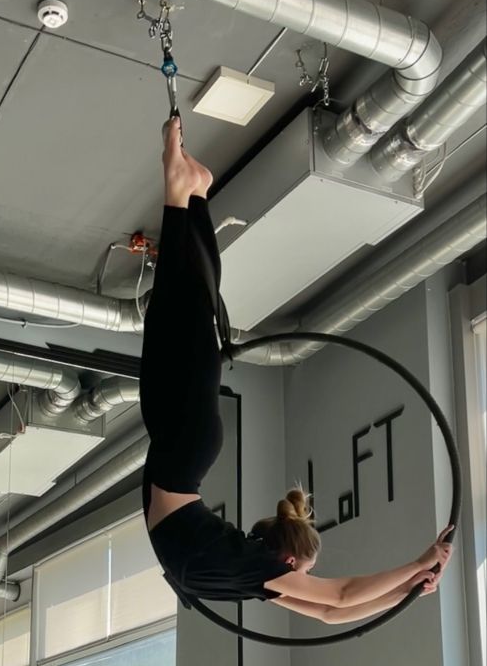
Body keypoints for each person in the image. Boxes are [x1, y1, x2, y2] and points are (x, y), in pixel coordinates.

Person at [139, 117, 453, 624]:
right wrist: (409, 586)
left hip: (182, 451)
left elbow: (337, 604)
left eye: (304, 573)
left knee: (184, 317)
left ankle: (189, 192)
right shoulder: (252, 570)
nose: (305, 583)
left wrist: (418, 571)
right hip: (176, 457)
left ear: (288, 559)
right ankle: (186, 195)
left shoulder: (257, 570)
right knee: (185, 318)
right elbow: (335, 605)